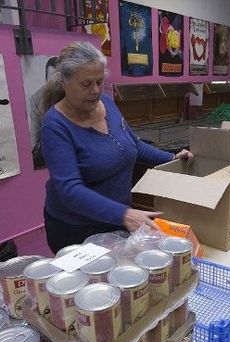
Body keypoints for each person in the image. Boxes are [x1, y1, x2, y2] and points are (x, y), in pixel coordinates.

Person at [39, 41, 193, 254]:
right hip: (76, 230)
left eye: (99, 82)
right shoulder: (55, 125)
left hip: (115, 220)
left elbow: (134, 146)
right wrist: (125, 214)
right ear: (64, 81)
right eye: (86, 84)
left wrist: (172, 157)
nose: (95, 91)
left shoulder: (106, 103)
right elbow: (69, 190)